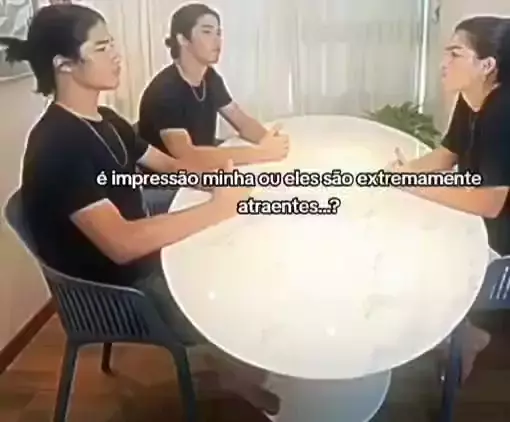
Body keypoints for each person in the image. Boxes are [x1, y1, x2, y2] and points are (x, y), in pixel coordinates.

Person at [0, 4, 279, 414]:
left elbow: (168, 165)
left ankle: (240, 367)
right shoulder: (57, 144)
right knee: (233, 278)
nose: (117, 55)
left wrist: (222, 185)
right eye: (101, 47)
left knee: (242, 249)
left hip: (144, 255)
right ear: (64, 64)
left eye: (112, 43)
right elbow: (123, 244)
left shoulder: (106, 119)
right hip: (118, 291)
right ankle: (237, 371)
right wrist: (219, 210)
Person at [386, 16, 510, 382]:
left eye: (455, 54)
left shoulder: (502, 114)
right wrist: (403, 172)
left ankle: (469, 334)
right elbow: (446, 155)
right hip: (478, 221)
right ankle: (457, 332)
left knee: (415, 260)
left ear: (487, 65)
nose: (443, 63)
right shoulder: (471, 100)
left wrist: (413, 187)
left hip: (501, 245)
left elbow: (490, 203)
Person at [137, 3, 290, 214]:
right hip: (170, 185)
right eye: (207, 32)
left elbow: (241, 120)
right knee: (250, 203)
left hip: (203, 171)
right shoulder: (165, 91)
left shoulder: (209, 77)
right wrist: (260, 153)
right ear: (183, 39)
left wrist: (267, 140)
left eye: (219, 33)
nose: (217, 41)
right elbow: (187, 156)